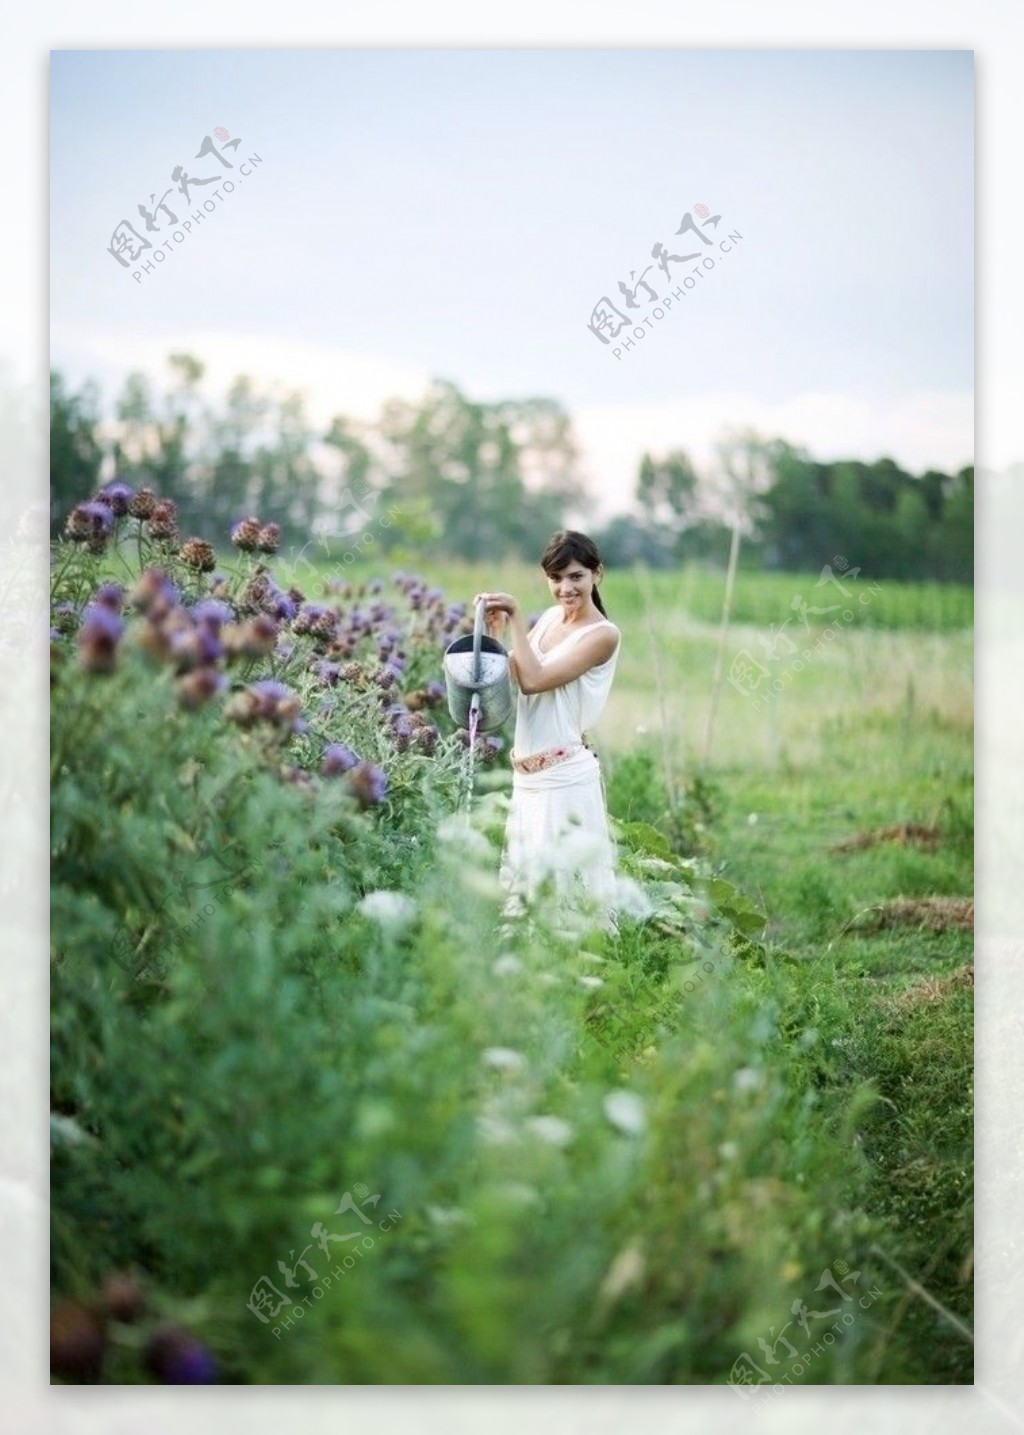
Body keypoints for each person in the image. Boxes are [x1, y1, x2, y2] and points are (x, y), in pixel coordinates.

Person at [474, 530, 622, 934]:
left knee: (568, 898)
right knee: (528, 893)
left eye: (575, 576)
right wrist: (498, 632)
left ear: (596, 574)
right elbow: (516, 674)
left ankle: (582, 978)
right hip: (528, 777)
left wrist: (519, 615)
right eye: (556, 579)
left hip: (564, 777)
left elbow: (536, 680)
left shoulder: (603, 635)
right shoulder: (552, 619)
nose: (565, 588)